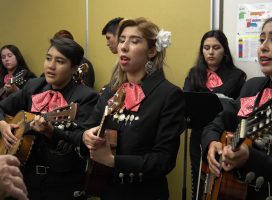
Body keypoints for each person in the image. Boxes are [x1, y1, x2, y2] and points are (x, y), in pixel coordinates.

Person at [82, 17, 185, 200]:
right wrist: (86, 136)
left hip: (145, 193)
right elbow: (88, 127)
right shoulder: (110, 90)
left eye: (134, 41)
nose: (124, 46)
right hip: (108, 192)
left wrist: (114, 162)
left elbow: (164, 160)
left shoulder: (168, 95)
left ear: (152, 51)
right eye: (122, 40)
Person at [202, 14, 272, 199]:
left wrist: (251, 158)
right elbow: (219, 121)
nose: (263, 47)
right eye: (261, 39)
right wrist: (212, 142)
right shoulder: (253, 87)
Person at [0, 38, 99, 200]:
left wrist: (52, 132)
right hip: (25, 176)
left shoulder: (87, 97)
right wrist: (3, 125)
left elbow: (82, 142)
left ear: (74, 68)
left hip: (62, 182)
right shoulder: (34, 85)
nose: (50, 66)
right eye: (48, 58)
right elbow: (2, 107)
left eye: (60, 61)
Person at [183, 30, 246, 199]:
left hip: (224, 138)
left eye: (216, 48)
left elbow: (237, 110)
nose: (210, 52)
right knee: (198, 183)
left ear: (224, 51)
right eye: (206, 48)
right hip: (197, 137)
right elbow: (186, 102)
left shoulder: (237, 76)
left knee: (220, 184)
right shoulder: (194, 73)